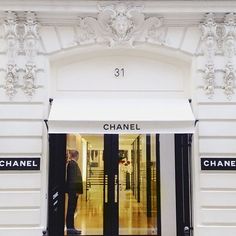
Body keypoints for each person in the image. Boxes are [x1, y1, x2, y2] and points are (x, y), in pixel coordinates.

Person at [66, 150, 83, 235]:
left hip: (73, 191)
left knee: (72, 209)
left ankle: (72, 228)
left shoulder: (73, 164)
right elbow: (73, 179)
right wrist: (76, 190)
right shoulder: (72, 164)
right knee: (71, 209)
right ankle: (70, 228)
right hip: (73, 191)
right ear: (76, 155)